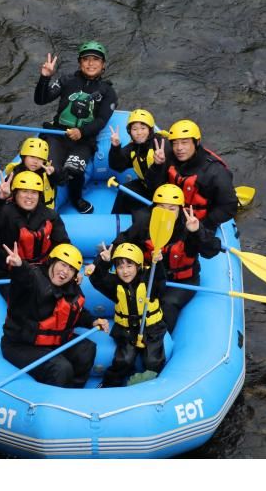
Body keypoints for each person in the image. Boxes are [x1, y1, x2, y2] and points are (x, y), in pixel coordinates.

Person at [112, 184, 221, 333]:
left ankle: (160, 338)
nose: (166, 213)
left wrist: (197, 232)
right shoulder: (145, 223)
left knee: (168, 304)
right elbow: (123, 240)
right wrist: (105, 259)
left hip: (181, 281)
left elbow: (211, 251)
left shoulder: (189, 226)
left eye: (172, 209)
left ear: (180, 209)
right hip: (152, 276)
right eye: (161, 207)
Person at [1, 242, 110, 388]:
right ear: (52, 262)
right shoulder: (33, 279)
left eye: (71, 269)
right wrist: (19, 265)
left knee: (86, 350)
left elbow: (75, 312)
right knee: (61, 368)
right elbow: (24, 278)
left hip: (52, 342)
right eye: (63, 265)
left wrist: (93, 321)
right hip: (22, 344)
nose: (65, 272)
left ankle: (72, 392)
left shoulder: (70, 287)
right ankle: (51, 402)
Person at [34, 41, 118, 214]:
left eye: (96, 59)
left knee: (74, 170)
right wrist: (45, 77)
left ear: (103, 65)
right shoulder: (67, 80)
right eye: (86, 59)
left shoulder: (107, 92)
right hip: (57, 134)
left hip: (84, 141)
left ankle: (76, 198)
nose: (90, 63)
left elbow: (101, 120)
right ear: (80, 63)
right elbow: (41, 99)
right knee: (51, 170)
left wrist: (82, 132)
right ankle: (46, 201)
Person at [89, 242, 167, 387]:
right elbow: (97, 280)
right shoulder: (114, 284)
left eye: (129, 266)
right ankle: (109, 385)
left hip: (152, 329)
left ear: (138, 266)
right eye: (120, 266)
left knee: (153, 360)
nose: (125, 271)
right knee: (123, 360)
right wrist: (104, 263)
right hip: (126, 331)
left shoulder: (149, 278)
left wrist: (159, 262)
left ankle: (151, 384)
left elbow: (161, 281)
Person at [0, 170, 70, 298]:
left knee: (58, 298)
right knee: (25, 305)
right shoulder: (4, 214)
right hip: (10, 271)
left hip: (42, 268)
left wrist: (69, 266)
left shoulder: (50, 216)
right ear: (15, 193)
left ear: (39, 195)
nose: (29, 197)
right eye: (24, 191)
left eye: (34, 192)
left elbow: (62, 244)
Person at [147, 119, 237, 235]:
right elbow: (152, 186)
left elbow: (229, 207)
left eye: (184, 142)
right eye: (175, 143)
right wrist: (157, 166)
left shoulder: (216, 172)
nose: (179, 148)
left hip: (198, 221)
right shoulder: (168, 157)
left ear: (197, 142)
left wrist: (204, 224)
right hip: (169, 212)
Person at [108, 108, 167, 215]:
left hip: (165, 192)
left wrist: (159, 163)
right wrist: (115, 147)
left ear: (150, 130)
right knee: (125, 191)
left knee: (142, 216)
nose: (139, 133)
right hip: (146, 186)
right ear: (129, 132)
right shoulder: (134, 147)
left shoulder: (162, 145)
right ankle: (116, 221)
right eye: (134, 129)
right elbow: (117, 166)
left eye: (143, 128)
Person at [4, 137, 62, 209]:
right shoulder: (16, 171)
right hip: (20, 208)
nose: (35, 162)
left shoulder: (48, 173)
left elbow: (61, 181)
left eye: (40, 158)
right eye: (32, 157)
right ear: (24, 157)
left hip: (43, 210)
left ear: (44, 161)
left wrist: (54, 173)